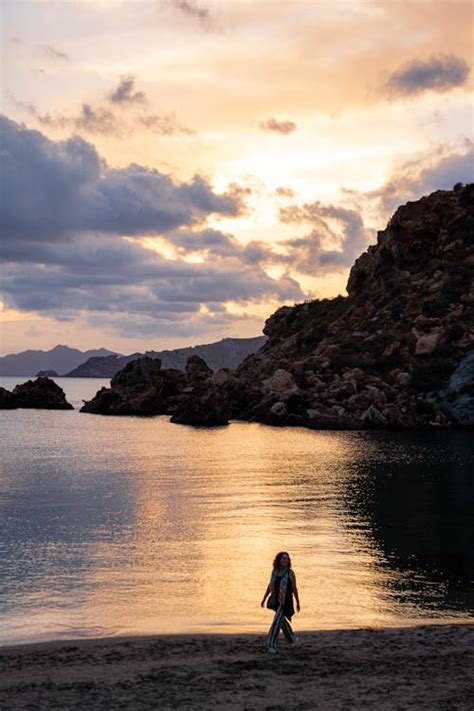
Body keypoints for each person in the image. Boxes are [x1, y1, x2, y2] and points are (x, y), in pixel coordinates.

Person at [260, 551, 300, 653]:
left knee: (276, 622)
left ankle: (271, 645)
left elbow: (294, 588)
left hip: (285, 601)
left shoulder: (290, 573)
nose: (285, 560)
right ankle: (293, 640)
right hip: (276, 600)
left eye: (287, 559)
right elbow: (270, 586)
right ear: (279, 560)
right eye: (283, 558)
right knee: (282, 622)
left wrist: (297, 602)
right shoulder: (275, 571)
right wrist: (264, 598)